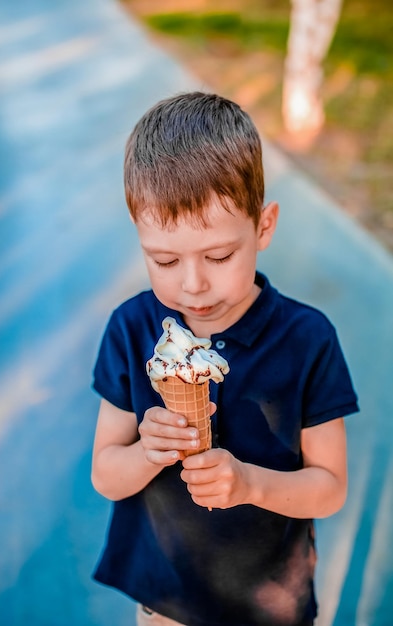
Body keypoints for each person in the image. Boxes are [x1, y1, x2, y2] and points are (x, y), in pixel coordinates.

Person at [91, 92, 359, 626]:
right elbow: (106, 473)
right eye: (164, 260)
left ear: (263, 227)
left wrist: (251, 485)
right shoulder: (131, 329)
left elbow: (329, 488)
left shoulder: (308, 340)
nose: (193, 285)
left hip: (271, 604)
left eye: (219, 255)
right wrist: (148, 452)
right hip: (164, 600)